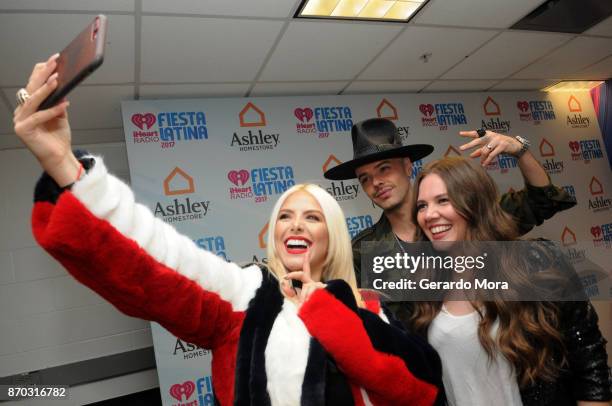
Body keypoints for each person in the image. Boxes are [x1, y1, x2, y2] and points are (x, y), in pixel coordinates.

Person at [13, 55, 445, 405]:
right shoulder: (246, 294)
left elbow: (421, 384)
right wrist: (66, 168)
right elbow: (157, 262)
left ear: (332, 233)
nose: (296, 224)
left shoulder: (372, 301)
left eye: (313, 217)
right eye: (285, 215)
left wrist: (326, 307)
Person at [323, 118, 576, 321]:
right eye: (364, 178)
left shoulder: (466, 218)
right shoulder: (362, 251)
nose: (375, 182)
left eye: (384, 168)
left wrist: (519, 151)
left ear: (408, 166)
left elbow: (544, 200)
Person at [408, 156, 611, 406]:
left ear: (475, 202)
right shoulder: (428, 285)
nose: (429, 214)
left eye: (443, 201)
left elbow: (590, 365)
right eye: (421, 206)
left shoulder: (536, 261)